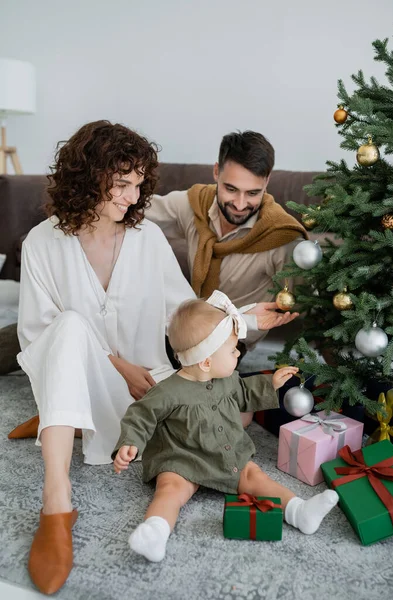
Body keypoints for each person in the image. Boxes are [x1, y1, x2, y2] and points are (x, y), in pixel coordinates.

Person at [8, 121, 301, 595]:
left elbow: (184, 313)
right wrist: (115, 365)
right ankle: (56, 501)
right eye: (121, 184)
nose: (131, 196)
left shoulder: (145, 237)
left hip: (150, 391)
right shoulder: (42, 243)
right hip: (96, 377)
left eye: (139, 184)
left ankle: (61, 418)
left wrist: (246, 319)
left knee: (234, 415)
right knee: (65, 325)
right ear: (87, 177)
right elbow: (36, 339)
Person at [113, 291, 339, 563]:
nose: (237, 354)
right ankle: (156, 531)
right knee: (170, 488)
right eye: (233, 350)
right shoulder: (168, 392)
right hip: (183, 458)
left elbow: (244, 391)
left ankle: (299, 510)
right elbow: (141, 414)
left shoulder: (228, 378)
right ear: (206, 362)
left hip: (226, 454)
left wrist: (272, 384)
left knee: (255, 476)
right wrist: (130, 442)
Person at [146, 130, 307, 349]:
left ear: (267, 181)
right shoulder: (196, 204)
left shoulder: (282, 239)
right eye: (231, 189)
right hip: (184, 329)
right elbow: (135, 211)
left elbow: (305, 302)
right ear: (216, 172)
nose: (240, 205)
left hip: (230, 346)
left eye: (252, 193)